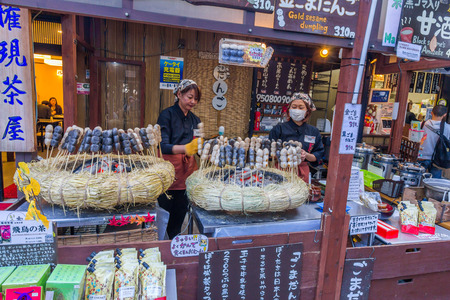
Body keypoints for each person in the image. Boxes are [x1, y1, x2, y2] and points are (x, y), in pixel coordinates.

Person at [157, 79, 202, 239]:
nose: (193, 101)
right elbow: (163, 145)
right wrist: (185, 148)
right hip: (169, 171)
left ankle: (174, 243)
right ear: (179, 94)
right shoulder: (166, 115)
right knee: (164, 213)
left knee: (180, 213)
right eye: (189, 97)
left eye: (195, 99)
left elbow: (199, 148)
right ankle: (161, 243)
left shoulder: (195, 120)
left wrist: (207, 151)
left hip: (187, 172)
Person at [269, 92, 324, 182]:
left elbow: (318, 155)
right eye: (294, 107)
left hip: (302, 173)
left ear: (307, 111)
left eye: (301, 107)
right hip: (280, 171)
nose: (297, 110)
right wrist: (285, 155)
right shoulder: (278, 129)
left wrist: (306, 155)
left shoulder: (313, 132)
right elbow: (270, 154)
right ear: (289, 110)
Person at [418, 105, 450, 178]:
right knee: (434, 182)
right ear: (444, 115)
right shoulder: (448, 128)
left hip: (421, 157)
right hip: (438, 159)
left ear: (431, 113)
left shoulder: (422, 124)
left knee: (418, 179)